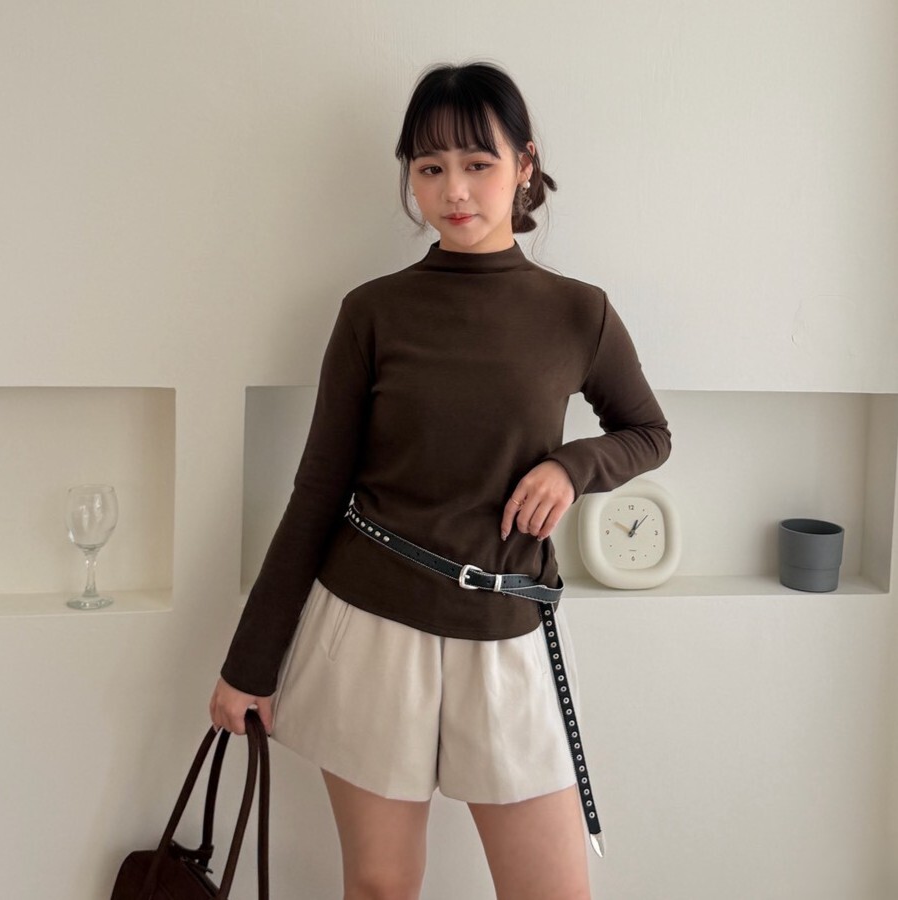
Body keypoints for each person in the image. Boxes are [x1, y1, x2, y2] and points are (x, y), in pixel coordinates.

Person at [209, 60, 671, 900]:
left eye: (477, 163)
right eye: (430, 167)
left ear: (524, 165)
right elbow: (318, 491)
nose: (453, 190)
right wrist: (250, 664)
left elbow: (648, 433)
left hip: (508, 630)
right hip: (371, 627)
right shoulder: (373, 312)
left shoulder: (579, 312)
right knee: (381, 888)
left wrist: (573, 467)